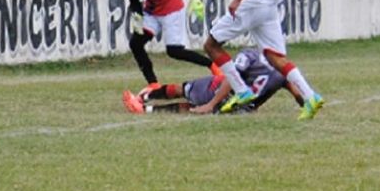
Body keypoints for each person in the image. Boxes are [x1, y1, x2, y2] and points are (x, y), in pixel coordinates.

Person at [112, 0, 216, 98]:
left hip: (171, 7)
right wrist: (138, 21)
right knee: (136, 43)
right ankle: (153, 84)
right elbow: (133, 0)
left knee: (174, 51)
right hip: (152, 11)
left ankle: (213, 65)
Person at [122, 48, 303, 114]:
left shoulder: (250, 55)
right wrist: (308, 102)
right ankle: (147, 107)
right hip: (241, 109)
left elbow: (233, 79)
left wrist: (212, 102)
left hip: (224, 92)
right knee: (191, 107)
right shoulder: (282, 70)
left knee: (185, 90)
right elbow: (297, 94)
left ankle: (144, 101)